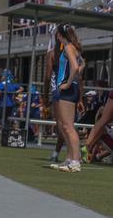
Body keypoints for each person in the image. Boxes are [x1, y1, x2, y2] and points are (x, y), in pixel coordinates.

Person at [49, 24, 84, 172]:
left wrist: (68, 82)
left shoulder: (69, 47)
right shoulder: (71, 47)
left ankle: (75, 161)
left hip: (67, 89)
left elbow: (76, 67)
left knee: (68, 127)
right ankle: (70, 159)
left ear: (59, 35)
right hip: (70, 88)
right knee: (65, 126)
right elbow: (82, 64)